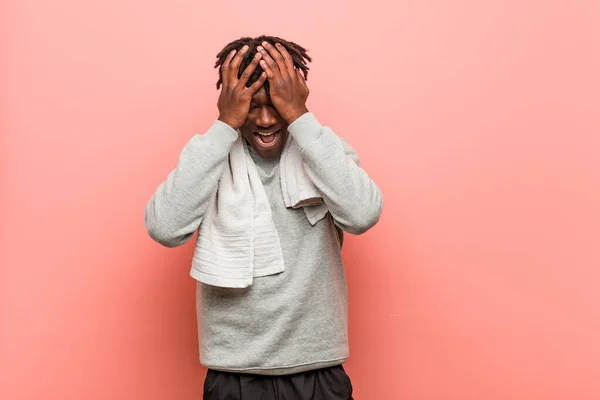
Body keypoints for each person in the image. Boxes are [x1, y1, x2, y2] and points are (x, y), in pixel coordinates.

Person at [144, 35, 384, 400]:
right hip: (234, 374)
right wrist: (224, 125)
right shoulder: (210, 156)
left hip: (318, 370)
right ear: (231, 101)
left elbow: (363, 214)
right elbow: (164, 227)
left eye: (278, 104)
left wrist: (301, 118)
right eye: (253, 106)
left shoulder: (321, 148)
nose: (268, 119)